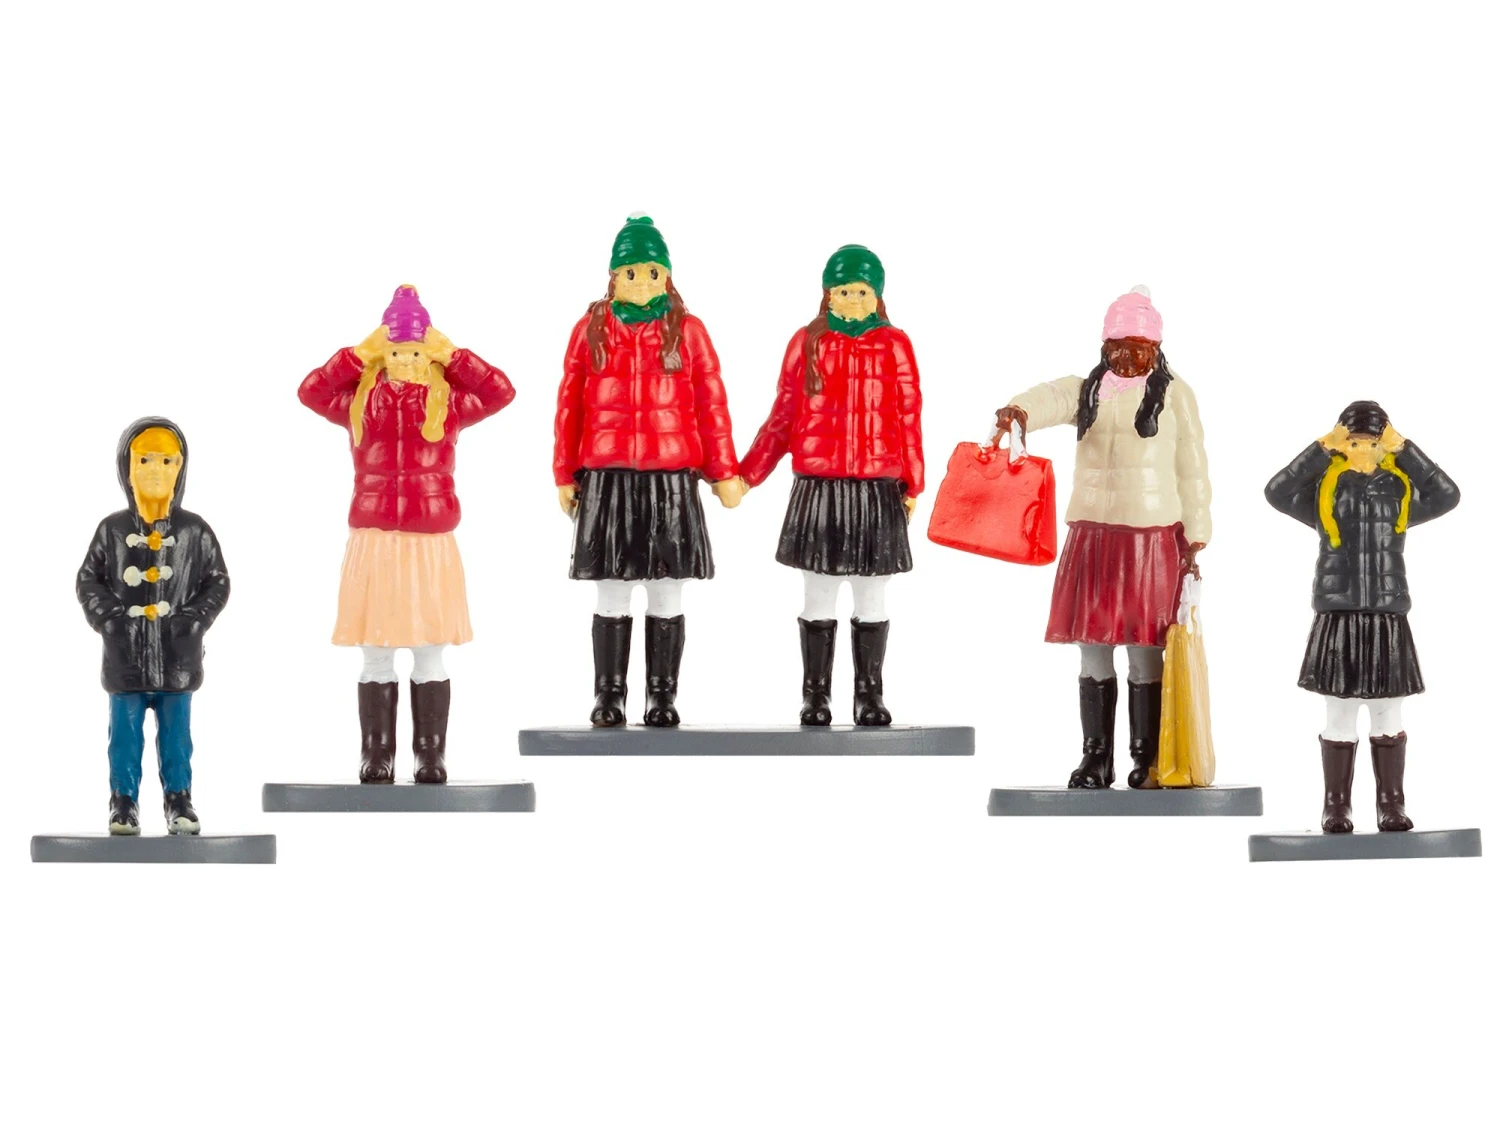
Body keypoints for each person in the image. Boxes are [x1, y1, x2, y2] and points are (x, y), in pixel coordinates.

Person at [993, 286, 1210, 788]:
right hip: (1093, 533)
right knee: (1092, 646)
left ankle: (1146, 757)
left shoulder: (1176, 395)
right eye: (1117, 346)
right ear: (1104, 346)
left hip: (1151, 537)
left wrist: (1197, 532)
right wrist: (1018, 410)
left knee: (1145, 649)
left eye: (1137, 347)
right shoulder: (1087, 390)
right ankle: (1096, 757)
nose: (1126, 357)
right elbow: (1049, 397)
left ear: (1155, 348)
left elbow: (1192, 466)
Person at [299, 285, 515, 782]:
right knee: (375, 651)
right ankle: (377, 753)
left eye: (416, 351)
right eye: (395, 351)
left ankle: (430, 753)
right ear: (383, 352)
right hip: (375, 536)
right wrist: (357, 355)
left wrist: (455, 355)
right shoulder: (361, 402)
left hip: (428, 540)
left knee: (428, 648)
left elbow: (500, 392)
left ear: (428, 354)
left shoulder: (449, 402)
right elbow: (311, 391)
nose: (405, 361)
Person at [554, 214, 744, 727]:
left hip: (670, 480)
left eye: (652, 272)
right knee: (612, 589)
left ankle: (662, 695)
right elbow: (569, 404)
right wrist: (564, 472)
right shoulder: (590, 330)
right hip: (609, 478)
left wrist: (723, 471)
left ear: (667, 276)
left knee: (666, 589)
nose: (641, 282)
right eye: (631, 272)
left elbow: (711, 403)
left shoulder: (689, 331)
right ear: (614, 276)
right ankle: (609, 694)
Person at [740, 245, 923, 725]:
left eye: (862, 291)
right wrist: (748, 473)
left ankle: (869, 695)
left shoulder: (895, 344)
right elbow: (783, 416)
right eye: (843, 291)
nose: (853, 300)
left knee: (871, 595)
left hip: (876, 488)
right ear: (827, 294)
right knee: (818, 592)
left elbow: (908, 415)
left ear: (877, 295)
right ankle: (815, 695)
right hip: (820, 487)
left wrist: (913, 481)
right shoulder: (807, 342)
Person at [1264, 401, 1459, 832]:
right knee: (1340, 714)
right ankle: (1336, 806)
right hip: (1338, 616)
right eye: (1353, 443)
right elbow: (1276, 491)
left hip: (1387, 616)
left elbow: (1448, 494)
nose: (1363, 450)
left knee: (1388, 714)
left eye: (1373, 443)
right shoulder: (1325, 491)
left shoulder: (1399, 489)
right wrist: (1320, 448)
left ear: (1384, 445)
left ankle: (1391, 805)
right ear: (1341, 445)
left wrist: (1405, 449)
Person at [77, 418, 231, 834]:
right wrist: (111, 619)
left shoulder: (194, 531)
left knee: (177, 740)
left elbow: (218, 581)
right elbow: (88, 579)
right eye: (144, 460)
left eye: (166, 461)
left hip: (177, 659)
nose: (155, 470)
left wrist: (194, 619)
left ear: (180, 468)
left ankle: (179, 800)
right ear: (126, 468)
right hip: (125, 658)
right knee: (124, 740)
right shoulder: (112, 529)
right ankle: (123, 803)